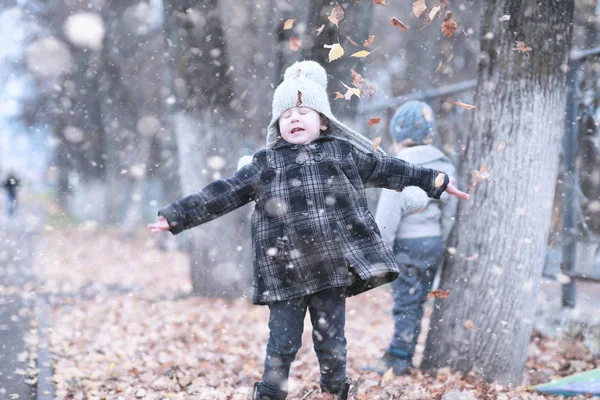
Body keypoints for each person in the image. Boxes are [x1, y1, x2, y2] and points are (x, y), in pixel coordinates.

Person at [148, 61, 469, 400]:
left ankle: (334, 390)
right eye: (285, 115)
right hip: (285, 272)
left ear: (324, 120)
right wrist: (177, 215)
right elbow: (222, 193)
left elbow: (388, 168)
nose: (295, 118)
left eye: (303, 111)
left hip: (332, 271)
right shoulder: (265, 163)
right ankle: (271, 393)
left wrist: (433, 180)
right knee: (282, 342)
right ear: (277, 126)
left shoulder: (343, 153)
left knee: (331, 342)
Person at [365, 101, 459, 376]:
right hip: (433, 241)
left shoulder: (399, 166)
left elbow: (388, 215)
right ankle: (403, 351)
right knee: (417, 300)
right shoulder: (444, 163)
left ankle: (399, 357)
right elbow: (451, 209)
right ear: (429, 135)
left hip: (407, 243)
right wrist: (442, 236)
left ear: (397, 137)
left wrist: (380, 248)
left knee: (405, 301)